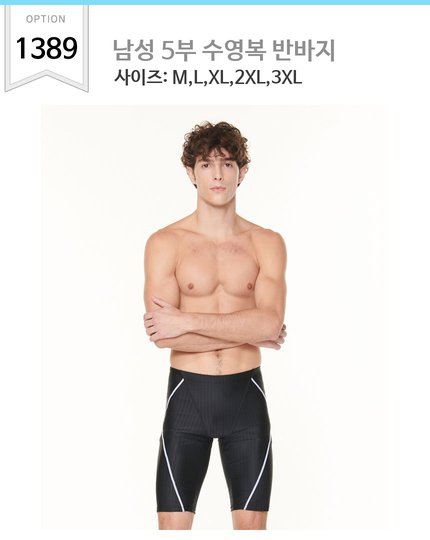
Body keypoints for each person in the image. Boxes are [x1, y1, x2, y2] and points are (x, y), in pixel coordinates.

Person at [143, 121, 287, 530]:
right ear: (191, 172)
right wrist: (249, 330)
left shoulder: (266, 242)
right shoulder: (165, 242)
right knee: (172, 530)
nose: (218, 175)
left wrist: (186, 320)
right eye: (206, 164)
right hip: (186, 400)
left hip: (246, 402)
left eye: (227, 164)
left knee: (252, 531)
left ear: (243, 171)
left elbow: (270, 322)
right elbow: (162, 334)